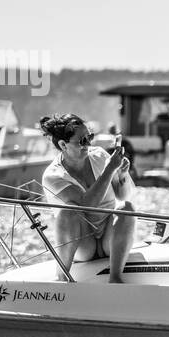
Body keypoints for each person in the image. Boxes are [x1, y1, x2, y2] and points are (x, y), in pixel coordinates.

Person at [39, 113, 137, 283]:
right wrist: (108, 171)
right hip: (83, 246)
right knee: (68, 212)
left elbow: (123, 195)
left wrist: (122, 175)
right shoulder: (53, 175)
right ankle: (62, 277)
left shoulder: (99, 155)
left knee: (127, 207)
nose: (88, 144)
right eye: (82, 141)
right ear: (63, 144)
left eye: (89, 137)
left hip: (109, 238)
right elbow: (87, 206)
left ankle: (115, 278)